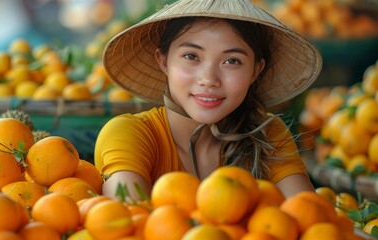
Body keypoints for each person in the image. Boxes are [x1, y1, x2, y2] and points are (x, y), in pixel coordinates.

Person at [95, 0, 322, 200]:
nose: (209, 79)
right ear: (163, 61)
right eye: (191, 56)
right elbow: (125, 225)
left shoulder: (268, 135)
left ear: (256, 70)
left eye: (232, 61)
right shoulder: (129, 134)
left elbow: (310, 220)